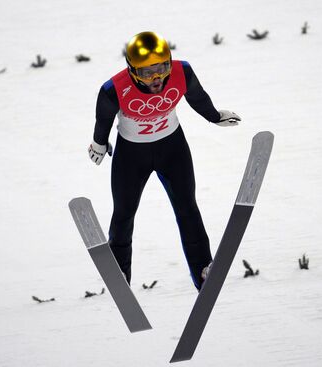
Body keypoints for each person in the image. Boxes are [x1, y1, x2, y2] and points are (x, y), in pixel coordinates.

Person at [89, 31, 241, 290]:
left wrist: (214, 116)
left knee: (187, 208)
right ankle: (120, 273)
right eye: (147, 72)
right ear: (132, 70)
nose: (157, 77)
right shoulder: (113, 89)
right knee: (124, 213)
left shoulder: (182, 72)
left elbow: (197, 97)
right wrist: (99, 143)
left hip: (172, 149)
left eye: (161, 67)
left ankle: (204, 269)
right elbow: (103, 119)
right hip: (131, 155)